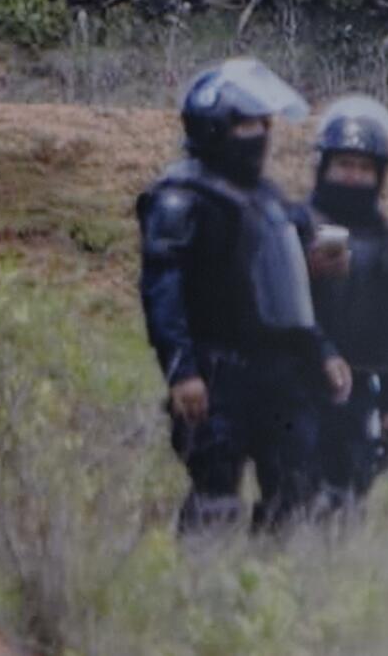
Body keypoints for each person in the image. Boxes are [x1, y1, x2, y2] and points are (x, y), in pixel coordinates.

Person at [135, 58, 352, 536]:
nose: (261, 133)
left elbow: (289, 292)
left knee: (297, 494)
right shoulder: (179, 197)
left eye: (264, 123)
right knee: (215, 498)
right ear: (216, 128)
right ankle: (203, 599)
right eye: (248, 123)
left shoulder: (268, 199)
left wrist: (322, 349)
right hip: (216, 371)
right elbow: (162, 289)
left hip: (280, 371)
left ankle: (277, 602)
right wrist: (183, 370)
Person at [299, 95, 388, 515]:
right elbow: (278, 310)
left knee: (349, 499)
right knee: (298, 498)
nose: (353, 177)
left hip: (360, 393)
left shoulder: (387, 238)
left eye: (364, 168)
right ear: (325, 166)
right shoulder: (299, 225)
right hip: (299, 389)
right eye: (344, 165)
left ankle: (342, 577)